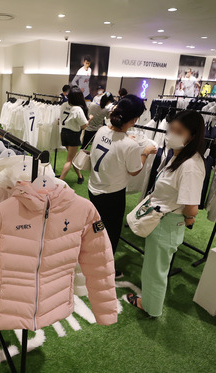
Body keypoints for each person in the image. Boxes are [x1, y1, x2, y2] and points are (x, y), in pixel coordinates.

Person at [126, 110, 206, 317]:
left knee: (155, 271)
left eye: (179, 131)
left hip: (167, 222)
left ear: (193, 136)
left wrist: (188, 218)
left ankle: (151, 308)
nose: (172, 134)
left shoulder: (190, 166)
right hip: (161, 220)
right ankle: (150, 302)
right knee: (154, 267)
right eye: (171, 129)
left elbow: (192, 207)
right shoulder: (178, 157)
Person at [88, 95, 157, 277]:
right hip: (111, 194)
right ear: (134, 119)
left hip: (94, 187)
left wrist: (128, 138)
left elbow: (113, 146)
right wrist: (146, 152)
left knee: (96, 226)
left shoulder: (102, 130)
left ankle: (90, 256)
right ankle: (105, 269)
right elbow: (135, 170)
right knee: (111, 232)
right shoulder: (131, 146)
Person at [59, 86, 88, 183]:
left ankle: (80, 176)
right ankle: (59, 182)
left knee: (73, 157)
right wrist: (90, 118)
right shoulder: (78, 109)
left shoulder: (63, 105)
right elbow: (84, 126)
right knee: (69, 160)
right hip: (73, 135)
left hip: (63, 133)